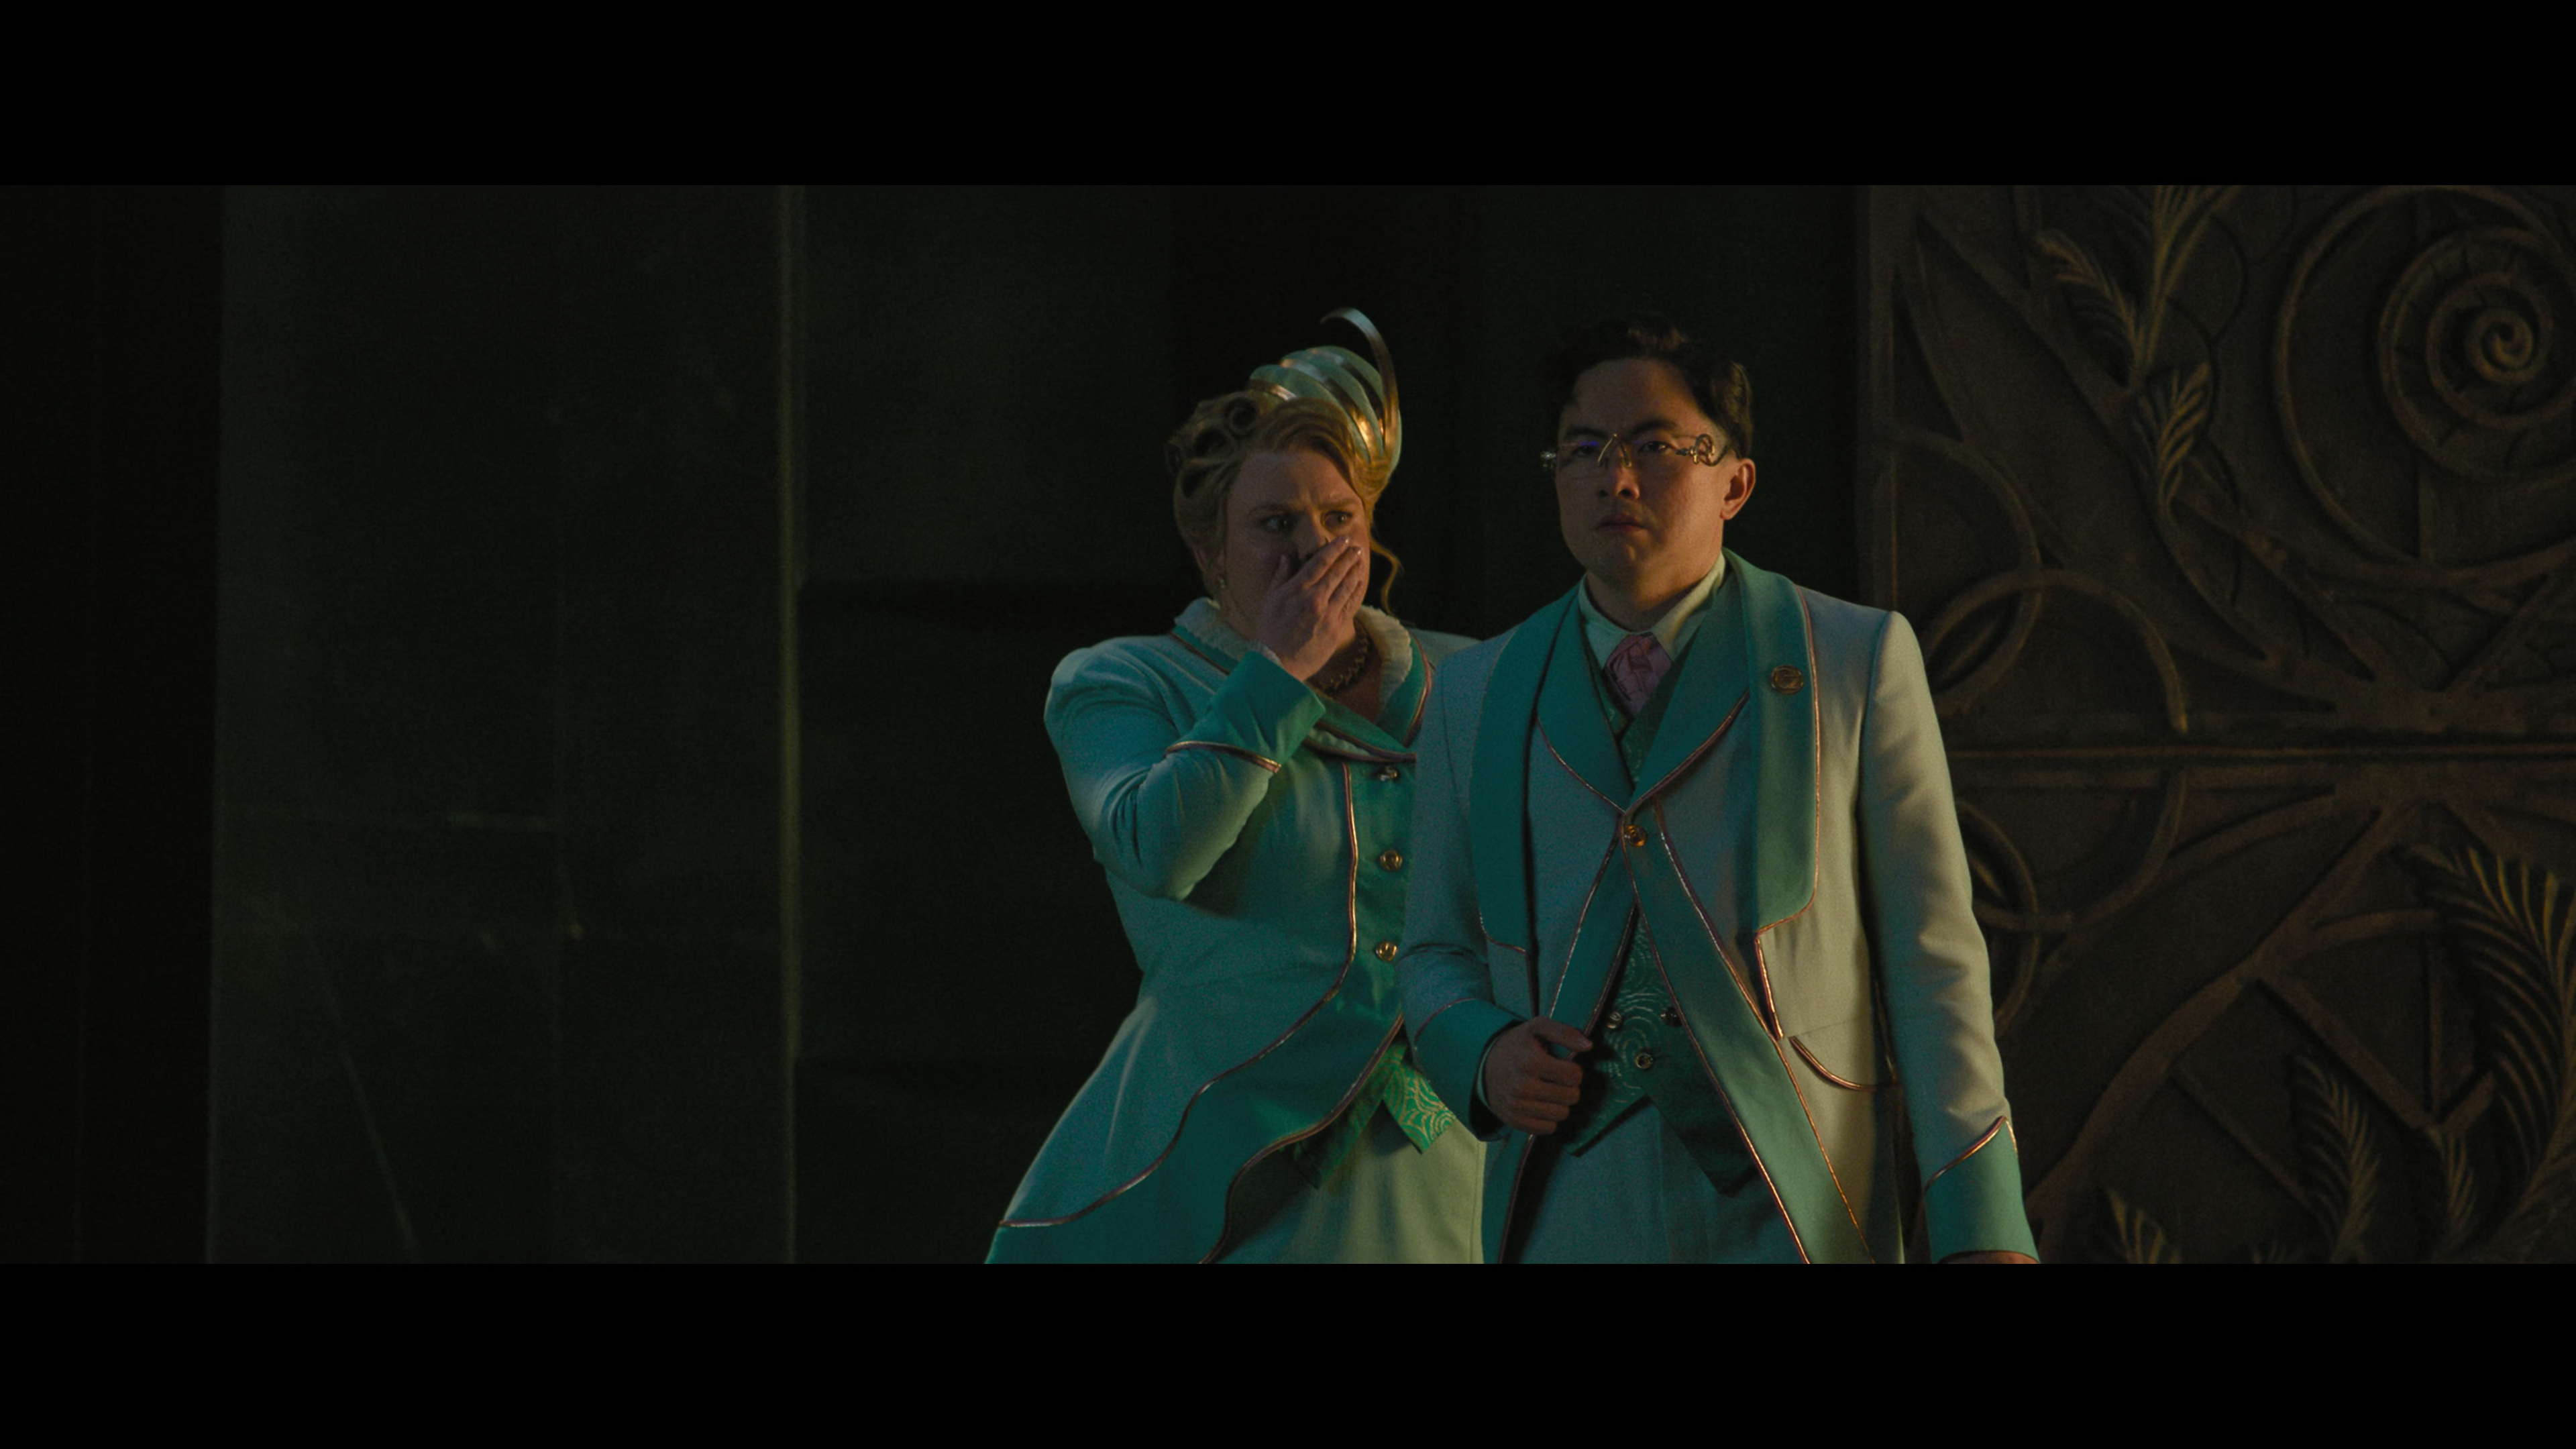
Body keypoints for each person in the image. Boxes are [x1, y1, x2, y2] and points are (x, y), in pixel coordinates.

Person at [1395, 313, 2040, 1263]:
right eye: (1584, 449)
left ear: (1735, 482)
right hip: (1569, 1205)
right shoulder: (1473, 692)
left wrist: (1981, 1227)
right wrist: (1481, 1054)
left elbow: (1932, 959)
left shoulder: (1853, 661)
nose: (1615, 477)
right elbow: (1434, 950)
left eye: (1654, 446)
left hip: (1798, 1197)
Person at [987, 311, 1484, 1263]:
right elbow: (1158, 850)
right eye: (1274, 524)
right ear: (1212, 553)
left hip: (1443, 1164)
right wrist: (1279, 671)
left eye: (1338, 519)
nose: (1312, 548)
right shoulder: (1126, 680)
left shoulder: (1473, 681)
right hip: (1221, 1162)